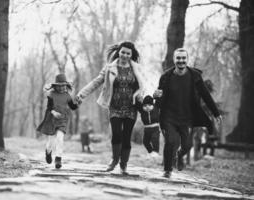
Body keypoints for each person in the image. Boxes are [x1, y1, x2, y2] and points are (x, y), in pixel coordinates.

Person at [75, 41, 145, 175]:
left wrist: (143, 99)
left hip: (131, 107)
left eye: (128, 53)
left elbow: (141, 86)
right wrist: (81, 95)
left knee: (126, 137)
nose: (125, 55)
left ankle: (123, 164)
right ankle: (114, 160)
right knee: (116, 134)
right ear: (119, 52)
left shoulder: (136, 68)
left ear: (131, 55)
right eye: (123, 52)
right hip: (115, 107)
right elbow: (96, 82)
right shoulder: (109, 68)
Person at [153, 48, 222, 178]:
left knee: (187, 145)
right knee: (170, 141)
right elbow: (159, 98)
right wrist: (155, 96)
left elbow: (205, 95)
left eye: (183, 58)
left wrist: (216, 113)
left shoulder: (195, 76)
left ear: (187, 59)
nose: (181, 61)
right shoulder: (166, 77)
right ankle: (167, 170)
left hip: (187, 118)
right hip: (169, 117)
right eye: (178, 58)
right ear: (174, 60)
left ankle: (179, 155)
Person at [36, 74, 78, 169]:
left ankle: (58, 158)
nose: (62, 87)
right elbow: (49, 107)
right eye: (60, 86)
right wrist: (54, 112)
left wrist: (78, 102)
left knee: (60, 138)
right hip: (52, 119)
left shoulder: (67, 96)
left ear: (66, 86)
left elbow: (72, 107)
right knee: (51, 141)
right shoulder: (51, 95)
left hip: (63, 119)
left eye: (64, 85)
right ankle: (48, 151)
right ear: (56, 86)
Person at [135, 95, 161, 159]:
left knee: (154, 139)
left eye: (149, 105)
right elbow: (137, 104)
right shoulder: (142, 110)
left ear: (152, 105)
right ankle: (151, 152)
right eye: (145, 106)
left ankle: (156, 152)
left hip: (155, 127)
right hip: (146, 128)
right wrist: (137, 97)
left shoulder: (156, 108)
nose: (147, 107)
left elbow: (159, 101)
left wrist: (157, 96)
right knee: (145, 142)